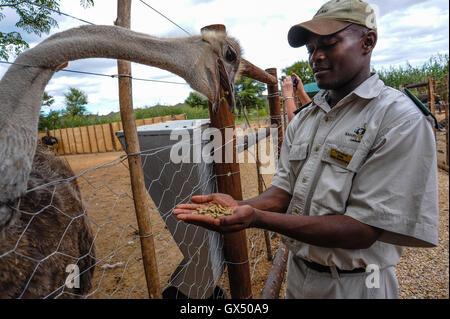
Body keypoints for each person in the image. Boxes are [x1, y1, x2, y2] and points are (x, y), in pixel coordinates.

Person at [173, 0, 439, 299]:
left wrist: (255, 219)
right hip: (298, 278)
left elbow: (362, 229)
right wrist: (238, 205)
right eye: (311, 49)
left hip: (357, 285)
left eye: (329, 44)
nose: (316, 57)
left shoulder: (397, 120)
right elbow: (282, 193)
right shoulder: (306, 119)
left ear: (368, 42)